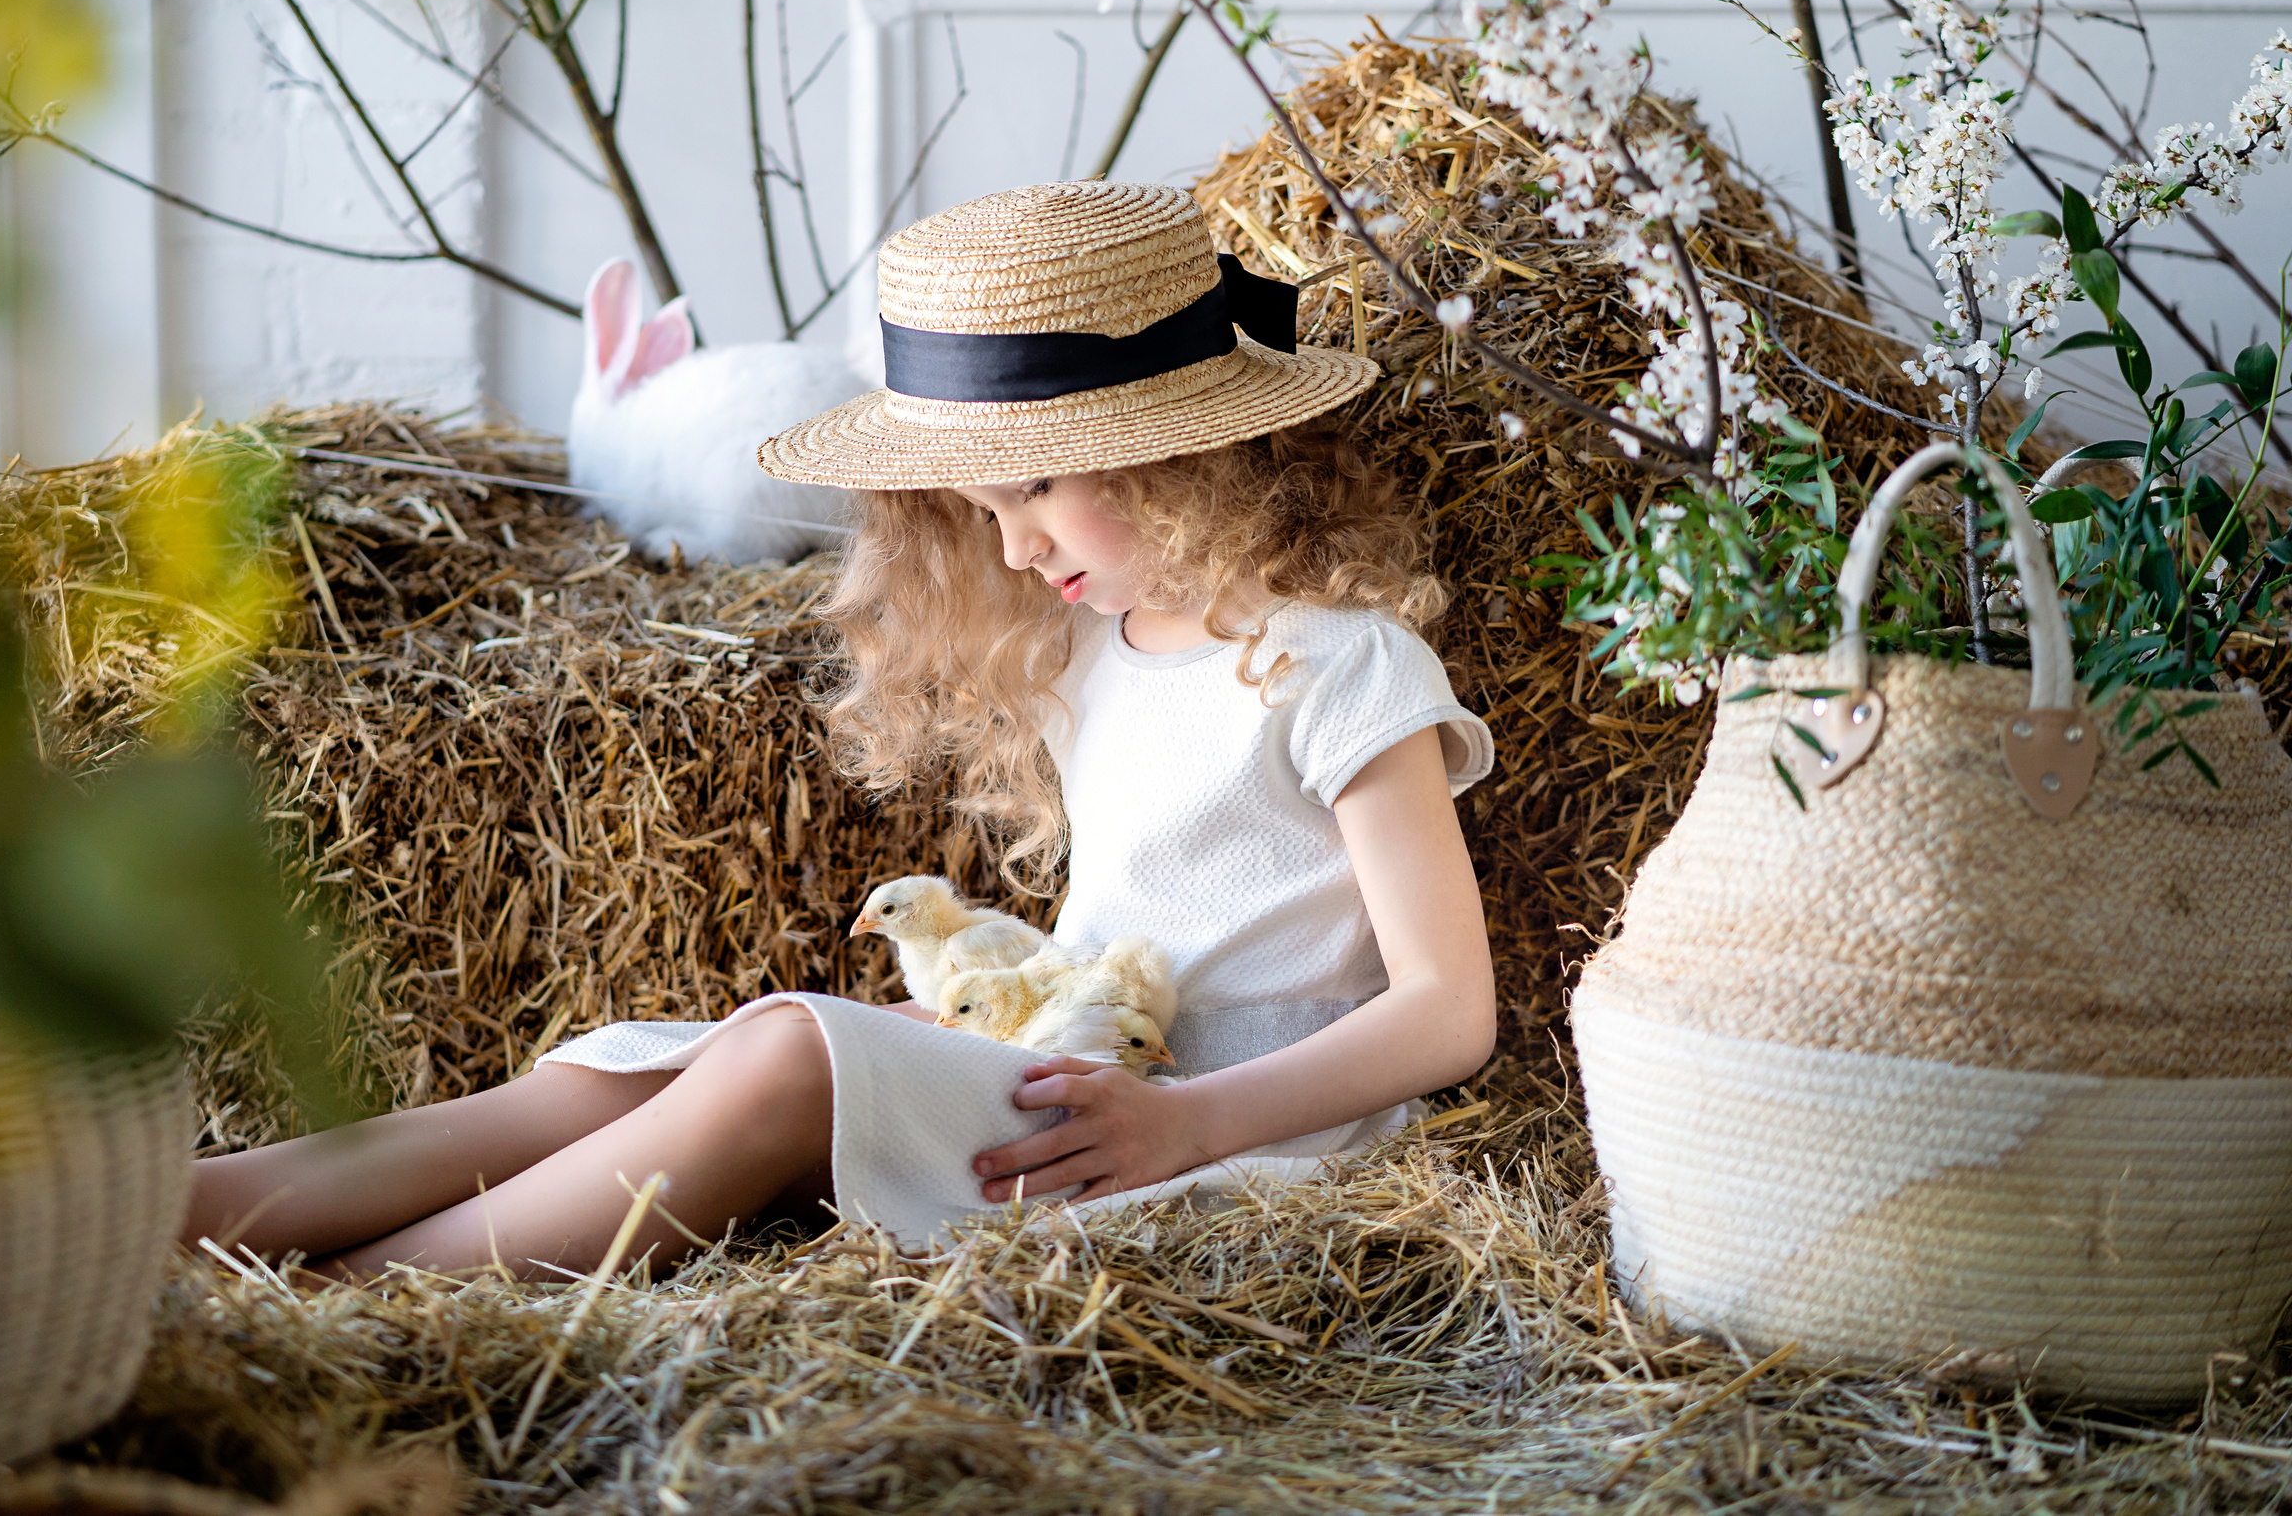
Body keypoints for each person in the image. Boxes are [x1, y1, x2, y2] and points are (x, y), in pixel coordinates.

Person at [183, 181, 1498, 1280]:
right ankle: (180, 1215)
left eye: (1033, 489)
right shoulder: (1100, 649)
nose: (1015, 545)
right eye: (981, 509)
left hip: (1216, 1133)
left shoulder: (1341, 667)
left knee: (783, 1060)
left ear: (1178, 454)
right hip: (1072, 1068)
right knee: (652, 1065)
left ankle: (358, 1296)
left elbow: (1449, 1013)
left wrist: (1190, 1125)